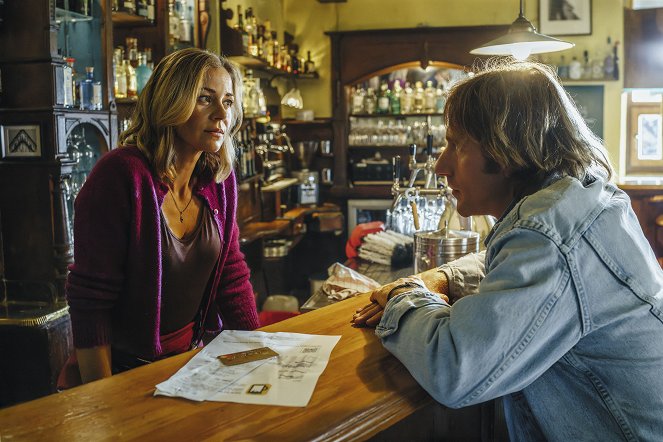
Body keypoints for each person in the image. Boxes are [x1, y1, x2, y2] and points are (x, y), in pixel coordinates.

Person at [352, 60, 663, 440]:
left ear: (505, 150)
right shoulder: (578, 200)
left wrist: (404, 296)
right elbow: (516, 267)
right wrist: (443, 276)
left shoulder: (549, 234)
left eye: (457, 144)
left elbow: (455, 368)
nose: (441, 165)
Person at [60, 48, 259, 387]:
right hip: (120, 373)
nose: (220, 114)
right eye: (204, 99)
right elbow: (91, 301)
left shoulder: (218, 183)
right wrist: (102, 399)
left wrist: (260, 354)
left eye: (227, 102)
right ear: (170, 102)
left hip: (189, 364)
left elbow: (231, 274)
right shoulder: (121, 175)